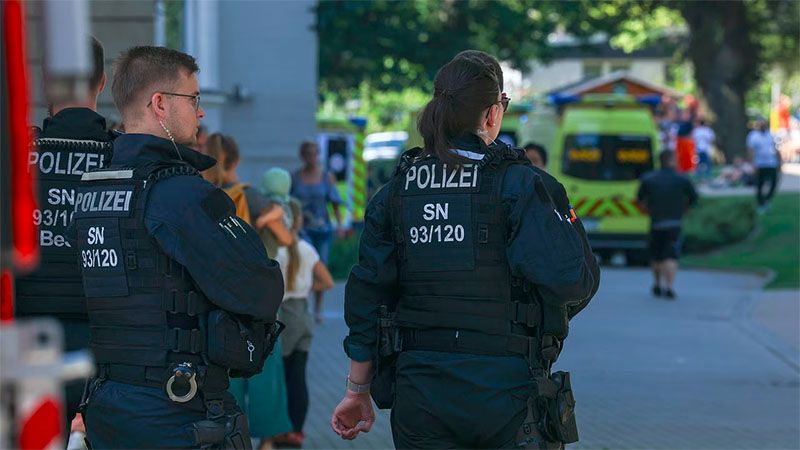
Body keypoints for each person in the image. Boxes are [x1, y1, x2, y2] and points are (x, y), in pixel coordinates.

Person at [330, 50, 599, 449]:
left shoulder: (396, 193)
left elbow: (367, 296)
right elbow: (572, 280)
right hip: (506, 391)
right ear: (492, 114)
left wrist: (357, 391)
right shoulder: (521, 185)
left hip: (420, 393)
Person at [72, 46, 285, 449]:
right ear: (160, 105)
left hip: (109, 407)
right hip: (177, 411)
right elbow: (260, 288)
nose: (200, 112)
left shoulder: (92, 189)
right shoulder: (181, 195)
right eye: (194, 99)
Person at [14, 36, 116, 434]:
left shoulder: (14, 156)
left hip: (25, 344)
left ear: (45, 84)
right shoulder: (126, 157)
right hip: (111, 351)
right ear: (103, 82)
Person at [201, 135, 294, 450]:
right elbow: (285, 239)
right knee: (266, 373)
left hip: (217, 298)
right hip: (259, 299)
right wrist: (263, 220)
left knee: (226, 373)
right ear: (236, 161)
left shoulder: (204, 196)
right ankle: (266, 442)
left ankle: (228, 437)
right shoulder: (250, 195)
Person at [275, 201, 335, 447]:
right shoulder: (307, 249)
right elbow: (328, 282)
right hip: (304, 315)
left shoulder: (275, 252)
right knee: (299, 377)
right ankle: (298, 431)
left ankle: (281, 429)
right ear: (299, 221)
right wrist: (308, 288)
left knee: (282, 378)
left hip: (283, 315)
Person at [291, 141, 344, 323]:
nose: (312, 157)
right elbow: (289, 203)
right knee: (304, 266)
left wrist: (340, 225)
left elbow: (335, 202)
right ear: (302, 155)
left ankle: (318, 308)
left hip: (323, 230)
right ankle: (303, 307)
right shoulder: (296, 177)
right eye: (308, 153)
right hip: (302, 230)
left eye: (315, 153)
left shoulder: (326, 177)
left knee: (321, 266)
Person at [637, 150, 698, 299]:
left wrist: (647, 211)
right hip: (674, 223)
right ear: (672, 160)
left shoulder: (649, 179)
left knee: (656, 255)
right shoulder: (682, 179)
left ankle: (657, 284)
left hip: (656, 222)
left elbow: (639, 199)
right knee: (670, 255)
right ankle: (669, 287)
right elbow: (694, 198)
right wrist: (684, 209)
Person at [747, 119, 780, 211]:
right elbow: (750, 151)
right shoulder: (753, 136)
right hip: (759, 164)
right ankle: (761, 203)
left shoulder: (770, 135)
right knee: (760, 185)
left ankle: (766, 200)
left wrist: (779, 162)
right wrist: (752, 164)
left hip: (771, 163)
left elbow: (776, 149)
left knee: (773, 183)